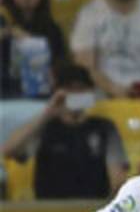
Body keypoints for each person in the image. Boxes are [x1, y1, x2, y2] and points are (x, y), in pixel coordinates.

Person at [1, 63, 128, 199]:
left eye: (82, 89)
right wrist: (48, 113)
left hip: (92, 208)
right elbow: (8, 151)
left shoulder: (105, 127)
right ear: (58, 93)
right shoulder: (45, 128)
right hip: (50, 210)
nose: (77, 94)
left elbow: (117, 177)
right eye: (70, 89)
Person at [0, 0, 66, 98]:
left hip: (41, 90)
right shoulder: (2, 17)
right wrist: (9, 31)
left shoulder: (51, 28)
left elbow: (59, 60)